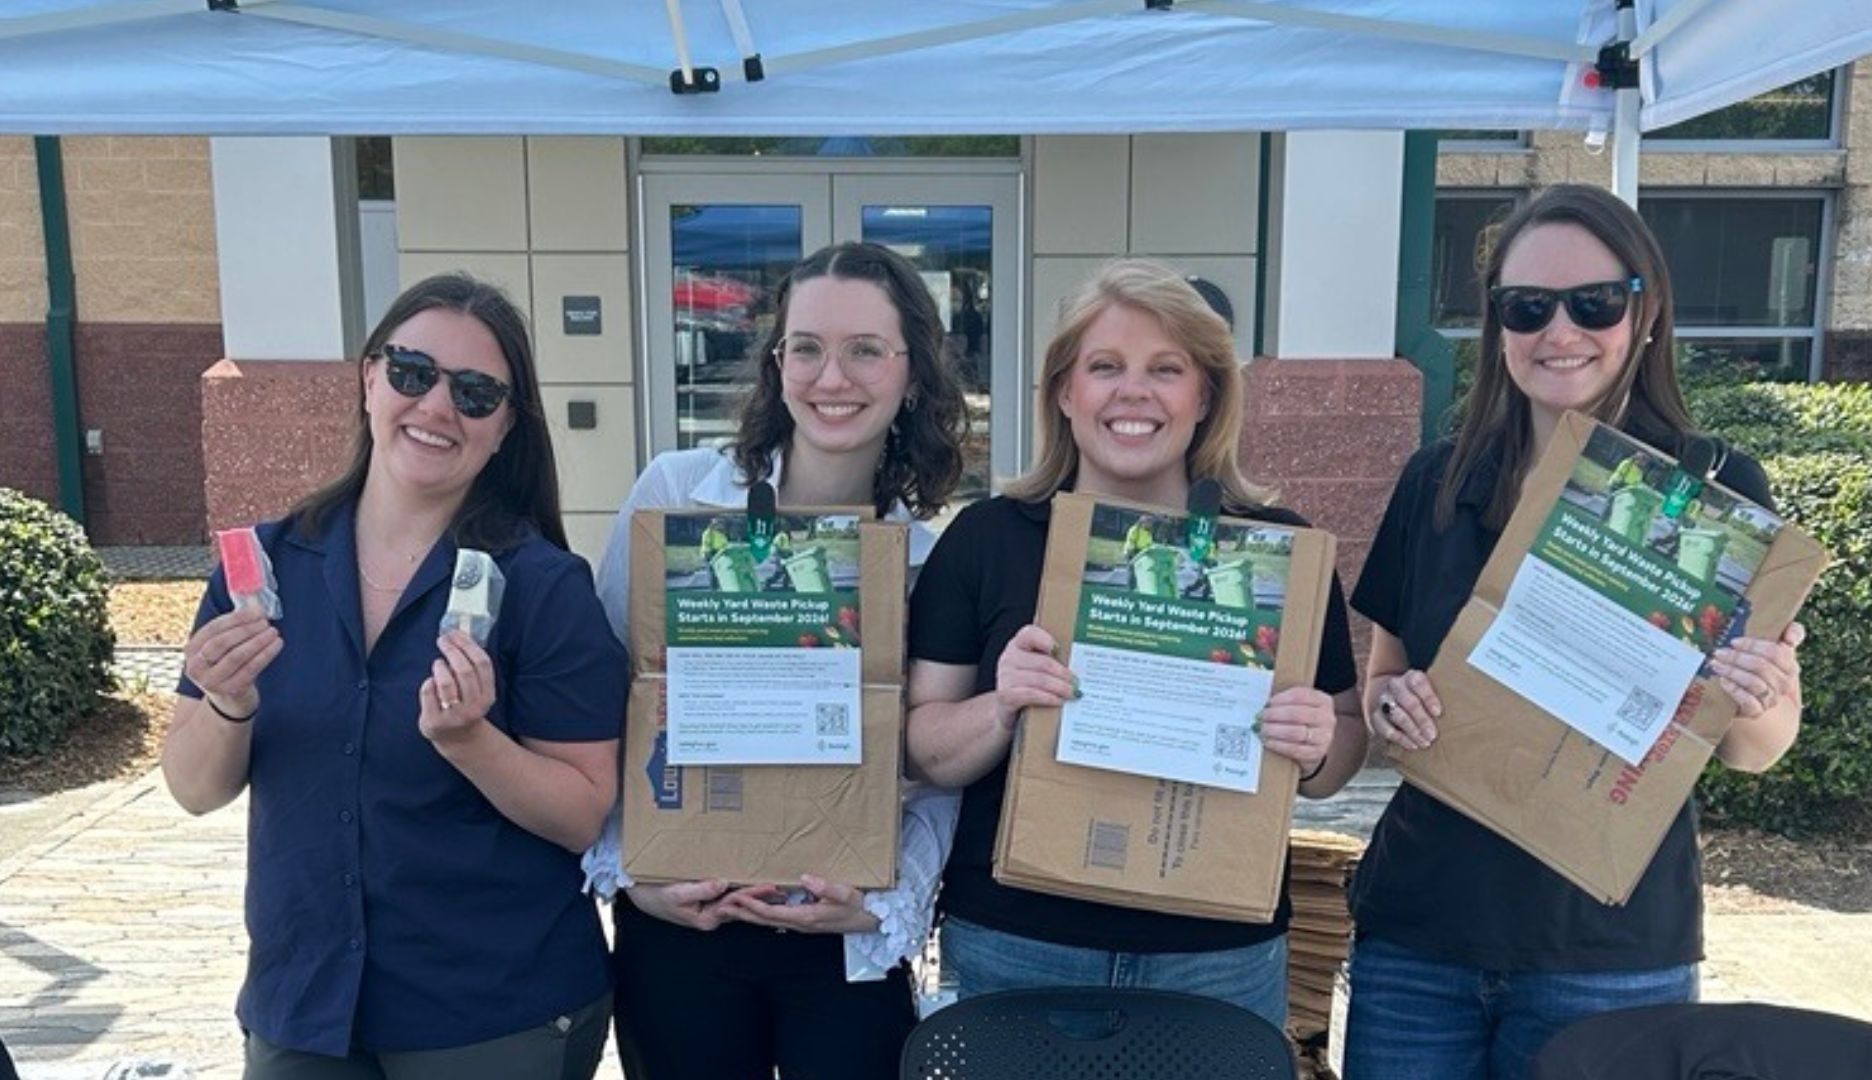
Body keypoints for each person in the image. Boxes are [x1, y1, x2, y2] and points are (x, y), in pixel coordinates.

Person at [1341, 184, 1809, 1080]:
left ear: (1646, 309)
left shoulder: (1715, 491)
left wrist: (1762, 695)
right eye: (1528, 307)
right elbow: (1384, 683)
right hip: (1421, 938)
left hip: (1611, 950)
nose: (1559, 332)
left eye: (1593, 302)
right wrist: (1395, 707)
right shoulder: (1436, 483)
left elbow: (1754, 749)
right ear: (1496, 324)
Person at [162, 274, 626, 1078]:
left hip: (490, 1012)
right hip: (304, 1005)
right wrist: (229, 704)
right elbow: (193, 787)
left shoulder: (543, 587)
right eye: (414, 372)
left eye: (476, 393)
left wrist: (470, 742)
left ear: (507, 425)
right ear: (370, 377)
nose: (438, 407)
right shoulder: (266, 571)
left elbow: (583, 813)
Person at [904, 259, 1367, 1027]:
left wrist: (1317, 743)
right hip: (1020, 943)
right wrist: (1002, 708)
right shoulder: (989, 539)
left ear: (1205, 395)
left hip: (1217, 952)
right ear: (1064, 390)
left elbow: (1340, 748)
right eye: (1105, 367)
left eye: (1166, 369)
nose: (1134, 392)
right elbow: (921, 747)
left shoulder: (1277, 553)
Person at [581, 242, 971, 1080]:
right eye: (807, 348)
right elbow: (609, 702)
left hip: (840, 934)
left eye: (865, 350)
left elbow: (941, 780)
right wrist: (633, 877)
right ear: (776, 362)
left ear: (913, 374)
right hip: (684, 921)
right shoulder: (675, 499)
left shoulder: (932, 558)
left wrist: (884, 903)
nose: (834, 378)